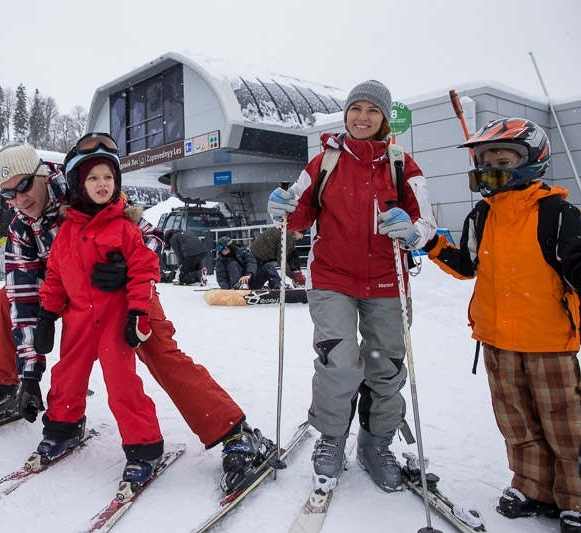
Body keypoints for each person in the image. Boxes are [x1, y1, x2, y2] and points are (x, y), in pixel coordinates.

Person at [0, 139, 269, 493]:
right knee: (5, 298)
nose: (19, 200)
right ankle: (9, 386)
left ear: (41, 175)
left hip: (123, 291)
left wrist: (124, 269)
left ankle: (232, 430)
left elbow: (152, 239)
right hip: (71, 294)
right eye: (8, 194)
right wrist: (30, 371)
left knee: (158, 350)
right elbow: (24, 297)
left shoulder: (86, 180)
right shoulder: (21, 227)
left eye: (23, 186)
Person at [267, 80, 438, 492]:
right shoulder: (324, 161)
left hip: (386, 280)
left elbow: (427, 225)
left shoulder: (402, 164)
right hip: (333, 278)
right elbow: (297, 212)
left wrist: (411, 230)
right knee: (338, 362)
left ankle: (376, 442)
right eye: (356, 109)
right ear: (346, 114)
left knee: (387, 366)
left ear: (383, 119)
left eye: (372, 111)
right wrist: (281, 210)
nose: (363, 117)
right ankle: (331, 438)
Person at [420, 118, 581, 532]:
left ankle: (576, 498)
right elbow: (466, 265)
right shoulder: (482, 215)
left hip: (549, 342)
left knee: (566, 426)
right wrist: (427, 242)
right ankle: (532, 488)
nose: (492, 166)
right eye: (486, 159)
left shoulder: (559, 215)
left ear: (531, 160)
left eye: (503, 158)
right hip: (496, 341)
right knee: (516, 422)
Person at [33, 148, 166, 492]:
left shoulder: (125, 227)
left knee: (121, 383)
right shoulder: (66, 231)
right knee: (67, 375)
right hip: (77, 318)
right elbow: (56, 277)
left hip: (112, 317)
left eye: (108, 177)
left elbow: (143, 270)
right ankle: (64, 428)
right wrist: (47, 314)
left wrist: (139, 311)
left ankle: (144, 446)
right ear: (79, 185)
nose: (102, 183)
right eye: (93, 178)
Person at [215, 236, 280, 290]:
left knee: (268, 266)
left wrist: (249, 275)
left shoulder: (244, 252)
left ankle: (277, 285)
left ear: (231, 247)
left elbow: (251, 262)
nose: (225, 253)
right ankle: (238, 286)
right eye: (223, 251)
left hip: (252, 280)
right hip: (235, 286)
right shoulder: (221, 261)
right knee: (233, 264)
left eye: (226, 250)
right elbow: (221, 277)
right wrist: (226, 288)